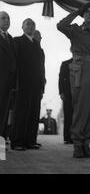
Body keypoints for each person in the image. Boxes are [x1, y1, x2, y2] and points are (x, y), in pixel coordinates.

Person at [57, 2, 90, 158]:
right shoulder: (75, 31)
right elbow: (61, 25)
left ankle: (87, 143)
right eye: (86, 12)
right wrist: (78, 9)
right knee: (82, 106)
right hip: (82, 69)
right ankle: (78, 144)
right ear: (83, 14)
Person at [10, 19, 46, 150]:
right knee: (21, 113)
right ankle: (17, 142)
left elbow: (41, 67)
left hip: (36, 86)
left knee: (33, 113)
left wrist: (42, 86)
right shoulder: (17, 41)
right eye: (28, 24)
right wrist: (14, 83)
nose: (31, 26)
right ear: (22, 27)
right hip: (22, 84)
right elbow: (14, 63)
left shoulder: (37, 44)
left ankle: (30, 141)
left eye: (33, 25)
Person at [0, 12, 17, 140]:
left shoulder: (11, 39)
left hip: (7, 84)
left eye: (8, 18)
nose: (6, 20)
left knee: (4, 116)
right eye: (3, 18)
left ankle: (0, 149)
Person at [59, 57, 73, 144]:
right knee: (68, 115)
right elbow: (61, 79)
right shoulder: (65, 63)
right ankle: (67, 137)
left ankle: (75, 136)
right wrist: (61, 92)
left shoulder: (82, 64)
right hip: (67, 94)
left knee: (77, 116)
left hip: (79, 93)